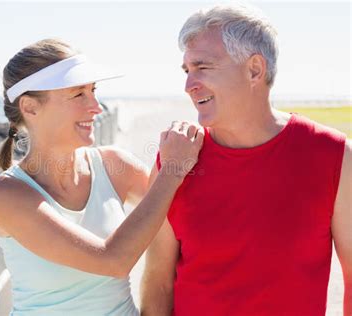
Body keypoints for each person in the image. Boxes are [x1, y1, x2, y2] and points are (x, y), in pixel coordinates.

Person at [141, 5, 351, 316]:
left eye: (203, 67)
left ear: (254, 69)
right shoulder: (175, 158)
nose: (189, 85)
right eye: (187, 71)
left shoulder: (334, 155)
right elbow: (158, 285)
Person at [0, 38, 204, 315]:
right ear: (29, 107)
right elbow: (113, 260)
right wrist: (170, 172)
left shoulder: (113, 165)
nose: (96, 107)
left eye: (93, 91)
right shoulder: (6, 196)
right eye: (78, 94)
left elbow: (189, 216)